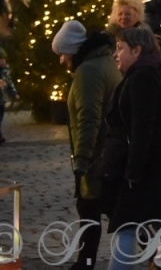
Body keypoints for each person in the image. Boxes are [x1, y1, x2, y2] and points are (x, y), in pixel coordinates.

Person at [96, 26, 161, 269]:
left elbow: (143, 127)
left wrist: (133, 171)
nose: (115, 54)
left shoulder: (145, 76)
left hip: (151, 168)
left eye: (120, 48)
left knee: (127, 225)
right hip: (153, 165)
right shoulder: (144, 74)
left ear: (137, 50)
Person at [53, 19, 120, 270]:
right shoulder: (103, 62)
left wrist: (81, 160)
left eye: (62, 54)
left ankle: (86, 263)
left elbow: (89, 119)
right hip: (107, 152)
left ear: (73, 50)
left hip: (98, 157)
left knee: (94, 209)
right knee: (101, 211)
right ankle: (86, 262)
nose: (61, 61)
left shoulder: (88, 71)